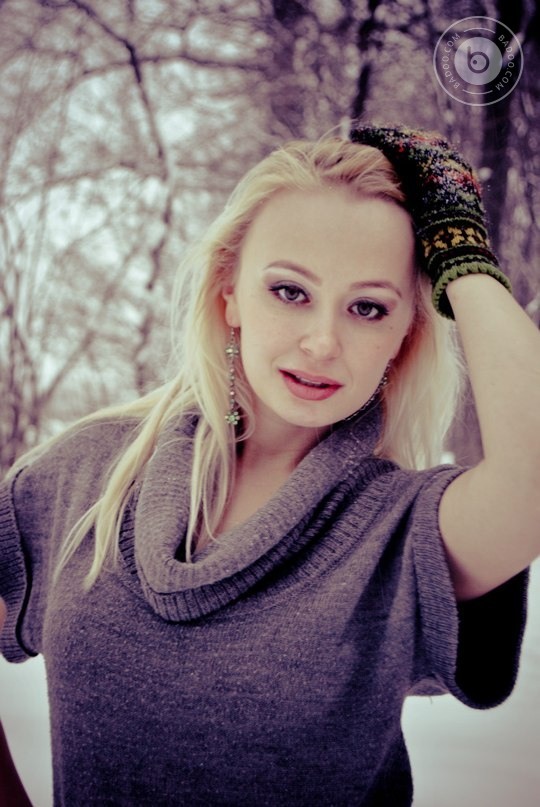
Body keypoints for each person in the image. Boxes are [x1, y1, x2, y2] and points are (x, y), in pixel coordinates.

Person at [0, 124, 538, 806]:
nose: (322, 342)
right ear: (229, 291)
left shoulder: (405, 534)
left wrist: (463, 253)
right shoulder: (86, 475)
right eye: (290, 291)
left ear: (406, 334)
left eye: (368, 307)